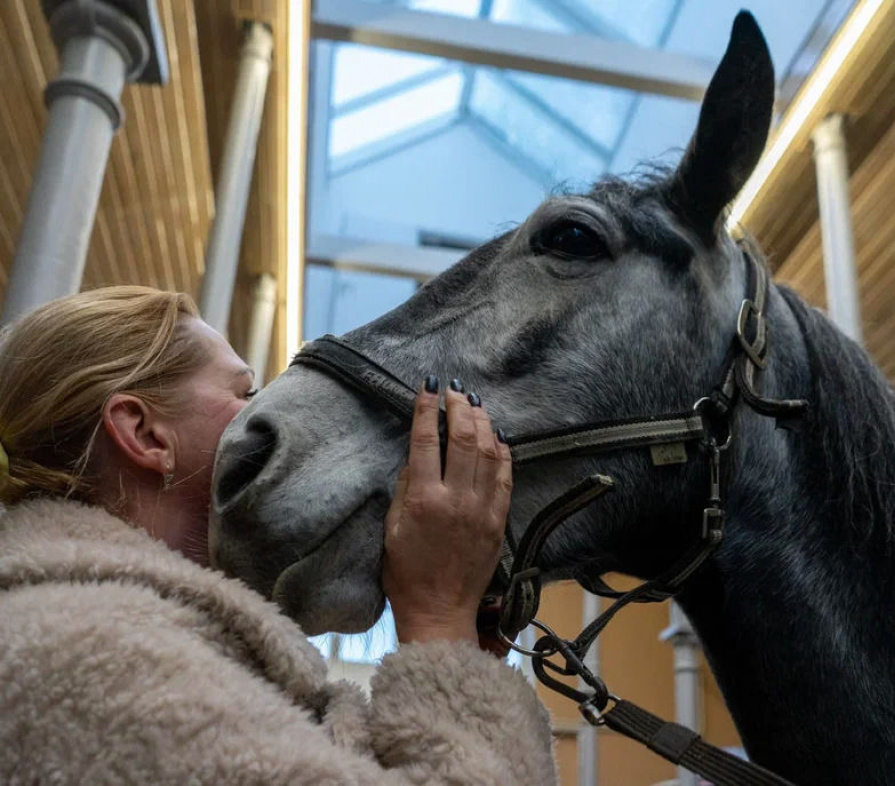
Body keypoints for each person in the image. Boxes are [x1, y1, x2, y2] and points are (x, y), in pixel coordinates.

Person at [0, 287, 557, 784]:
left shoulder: (119, 638)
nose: (263, 412)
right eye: (246, 394)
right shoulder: (94, 659)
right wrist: (438, 615)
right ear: (145, 433)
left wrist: (463, 658)